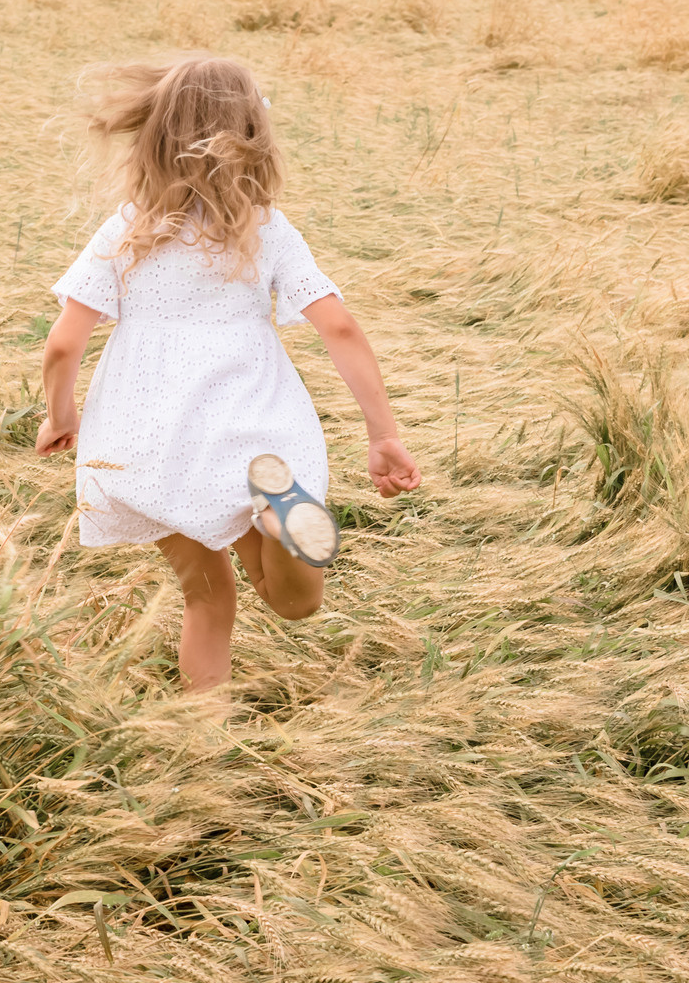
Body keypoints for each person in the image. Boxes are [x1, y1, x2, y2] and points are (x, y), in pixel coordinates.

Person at [35, 54, 421, 693]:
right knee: (296, 604)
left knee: (207, 602)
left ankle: (201, 740)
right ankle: (278, 520)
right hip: (253, 426)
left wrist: (61, 415)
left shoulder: (126, 232)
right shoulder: (266, 229)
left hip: (149, 438)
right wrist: (382, 434)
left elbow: (63, 344)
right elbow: (341, 328)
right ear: (254, 136)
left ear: (155, 136)